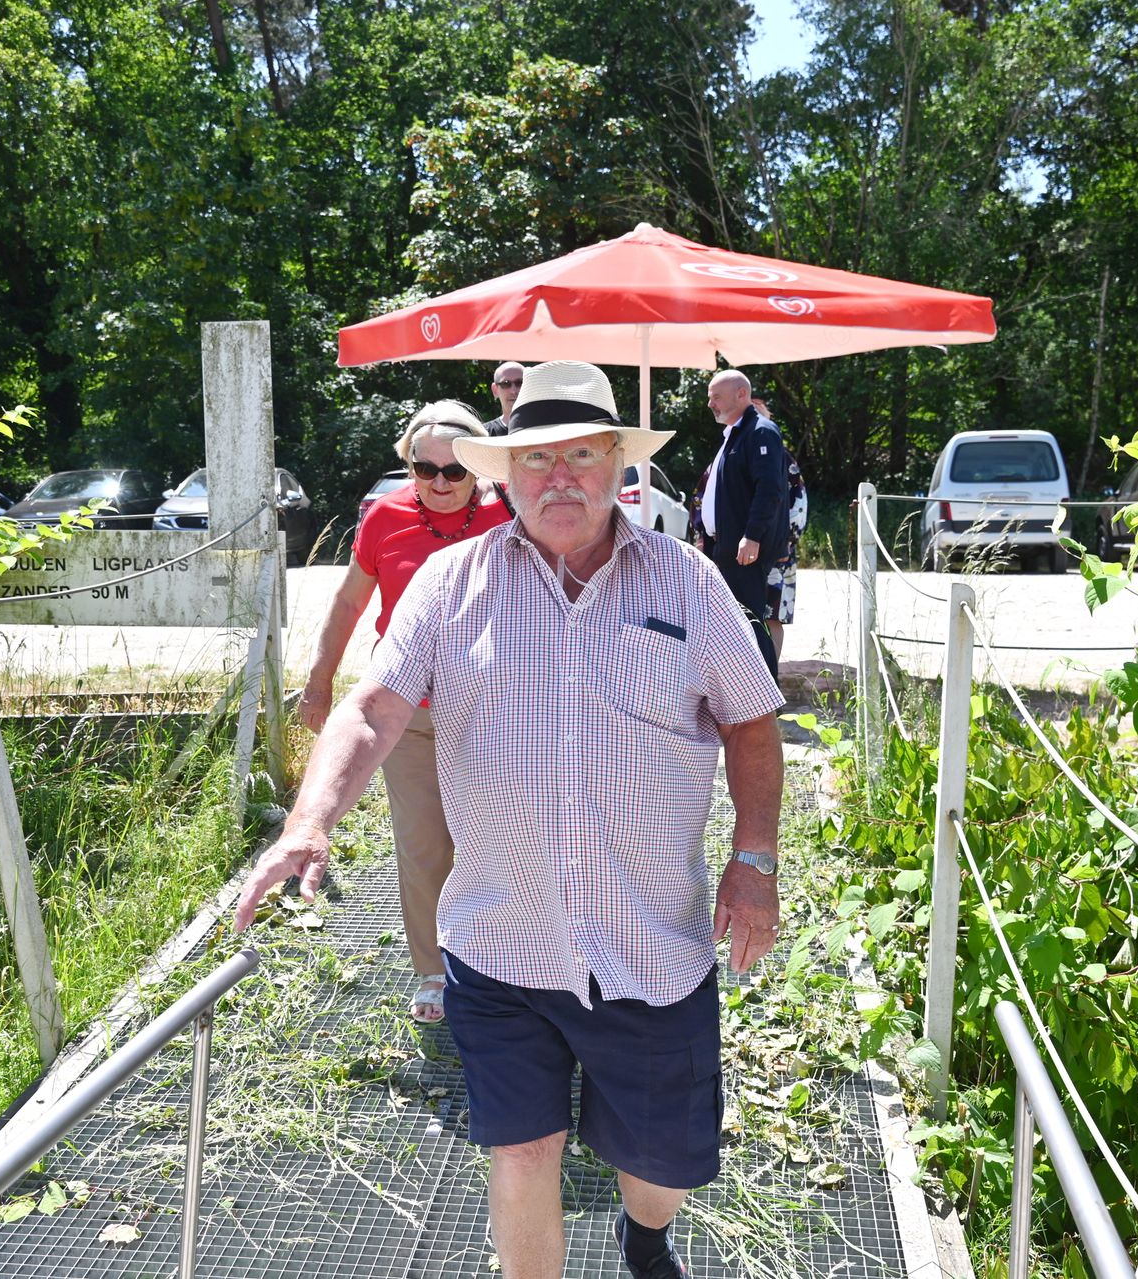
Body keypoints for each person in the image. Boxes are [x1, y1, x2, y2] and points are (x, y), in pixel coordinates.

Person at [236, 361, 785, 1279]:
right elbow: (373, 709)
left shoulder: (687, 581)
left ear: (618, 463)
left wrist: (754, 859)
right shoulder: (451, 583)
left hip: (651, 941)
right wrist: (309, 820)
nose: (559, 476)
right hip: (501, 944)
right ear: (507, 472)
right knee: (523, 1151)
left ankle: (645, 1234)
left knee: (658, 1168)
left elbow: (753, 721)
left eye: (582, 454)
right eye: (536, 458)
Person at [297, 400, 512, 1024]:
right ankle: (434, 971)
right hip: (410, 712)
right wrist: (318, 683)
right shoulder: (385, 518)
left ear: (478, 466)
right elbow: (348, 603)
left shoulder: (510, 515)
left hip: (498, 711)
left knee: (505, 840)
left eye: (455, 470)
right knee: (423, 846)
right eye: (425, 469)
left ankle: (507, 960)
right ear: (409, 466)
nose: (440, 483)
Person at [685, 369, 790, 676]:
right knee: (732, 624)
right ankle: (738, 690)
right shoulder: (735, 433)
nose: (710, 404)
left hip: (745, 551)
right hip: (725, 548)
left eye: (716, 397)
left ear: (741, 394)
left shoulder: (761, 432)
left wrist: (752, 535)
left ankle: (765, 695)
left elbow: (770, 489)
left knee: (750, 621)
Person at [749, 392, 807, 659]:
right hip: (739, 552)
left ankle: (770, 676)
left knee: (773, 618)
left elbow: (799, 505)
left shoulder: (783, 458)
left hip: (779, 551)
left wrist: (786, 543)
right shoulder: (731, 451)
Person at [483, 361, 526, 436]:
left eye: (519, 383)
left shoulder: (544, 429)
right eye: (506, 384)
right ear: (495, 390)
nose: (513, 391)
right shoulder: (484, 434)